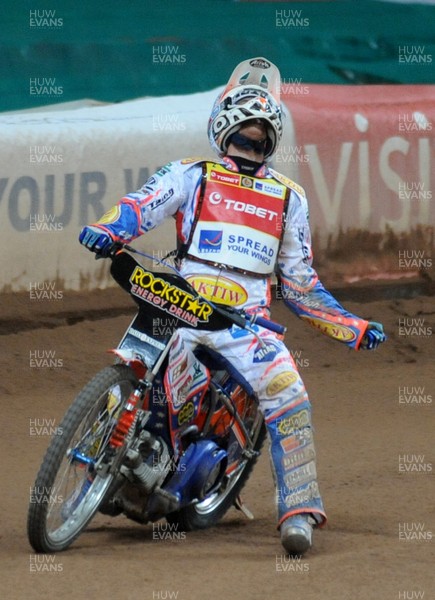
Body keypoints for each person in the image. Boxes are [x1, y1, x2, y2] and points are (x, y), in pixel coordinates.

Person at [79, 57, 386, 556]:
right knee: (139, 365)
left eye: (263, 132)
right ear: (223, 125)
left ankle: (299, 510)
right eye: (246, 128)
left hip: (248, 323)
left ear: (274, 139)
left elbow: (301, 283)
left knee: (290, 397)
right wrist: (110, 229)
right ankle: (113, 456)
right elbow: (142, 205)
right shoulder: (190, 174)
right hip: (179, 301)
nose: (254, 138)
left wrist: (350, 326)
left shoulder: (290, 197)